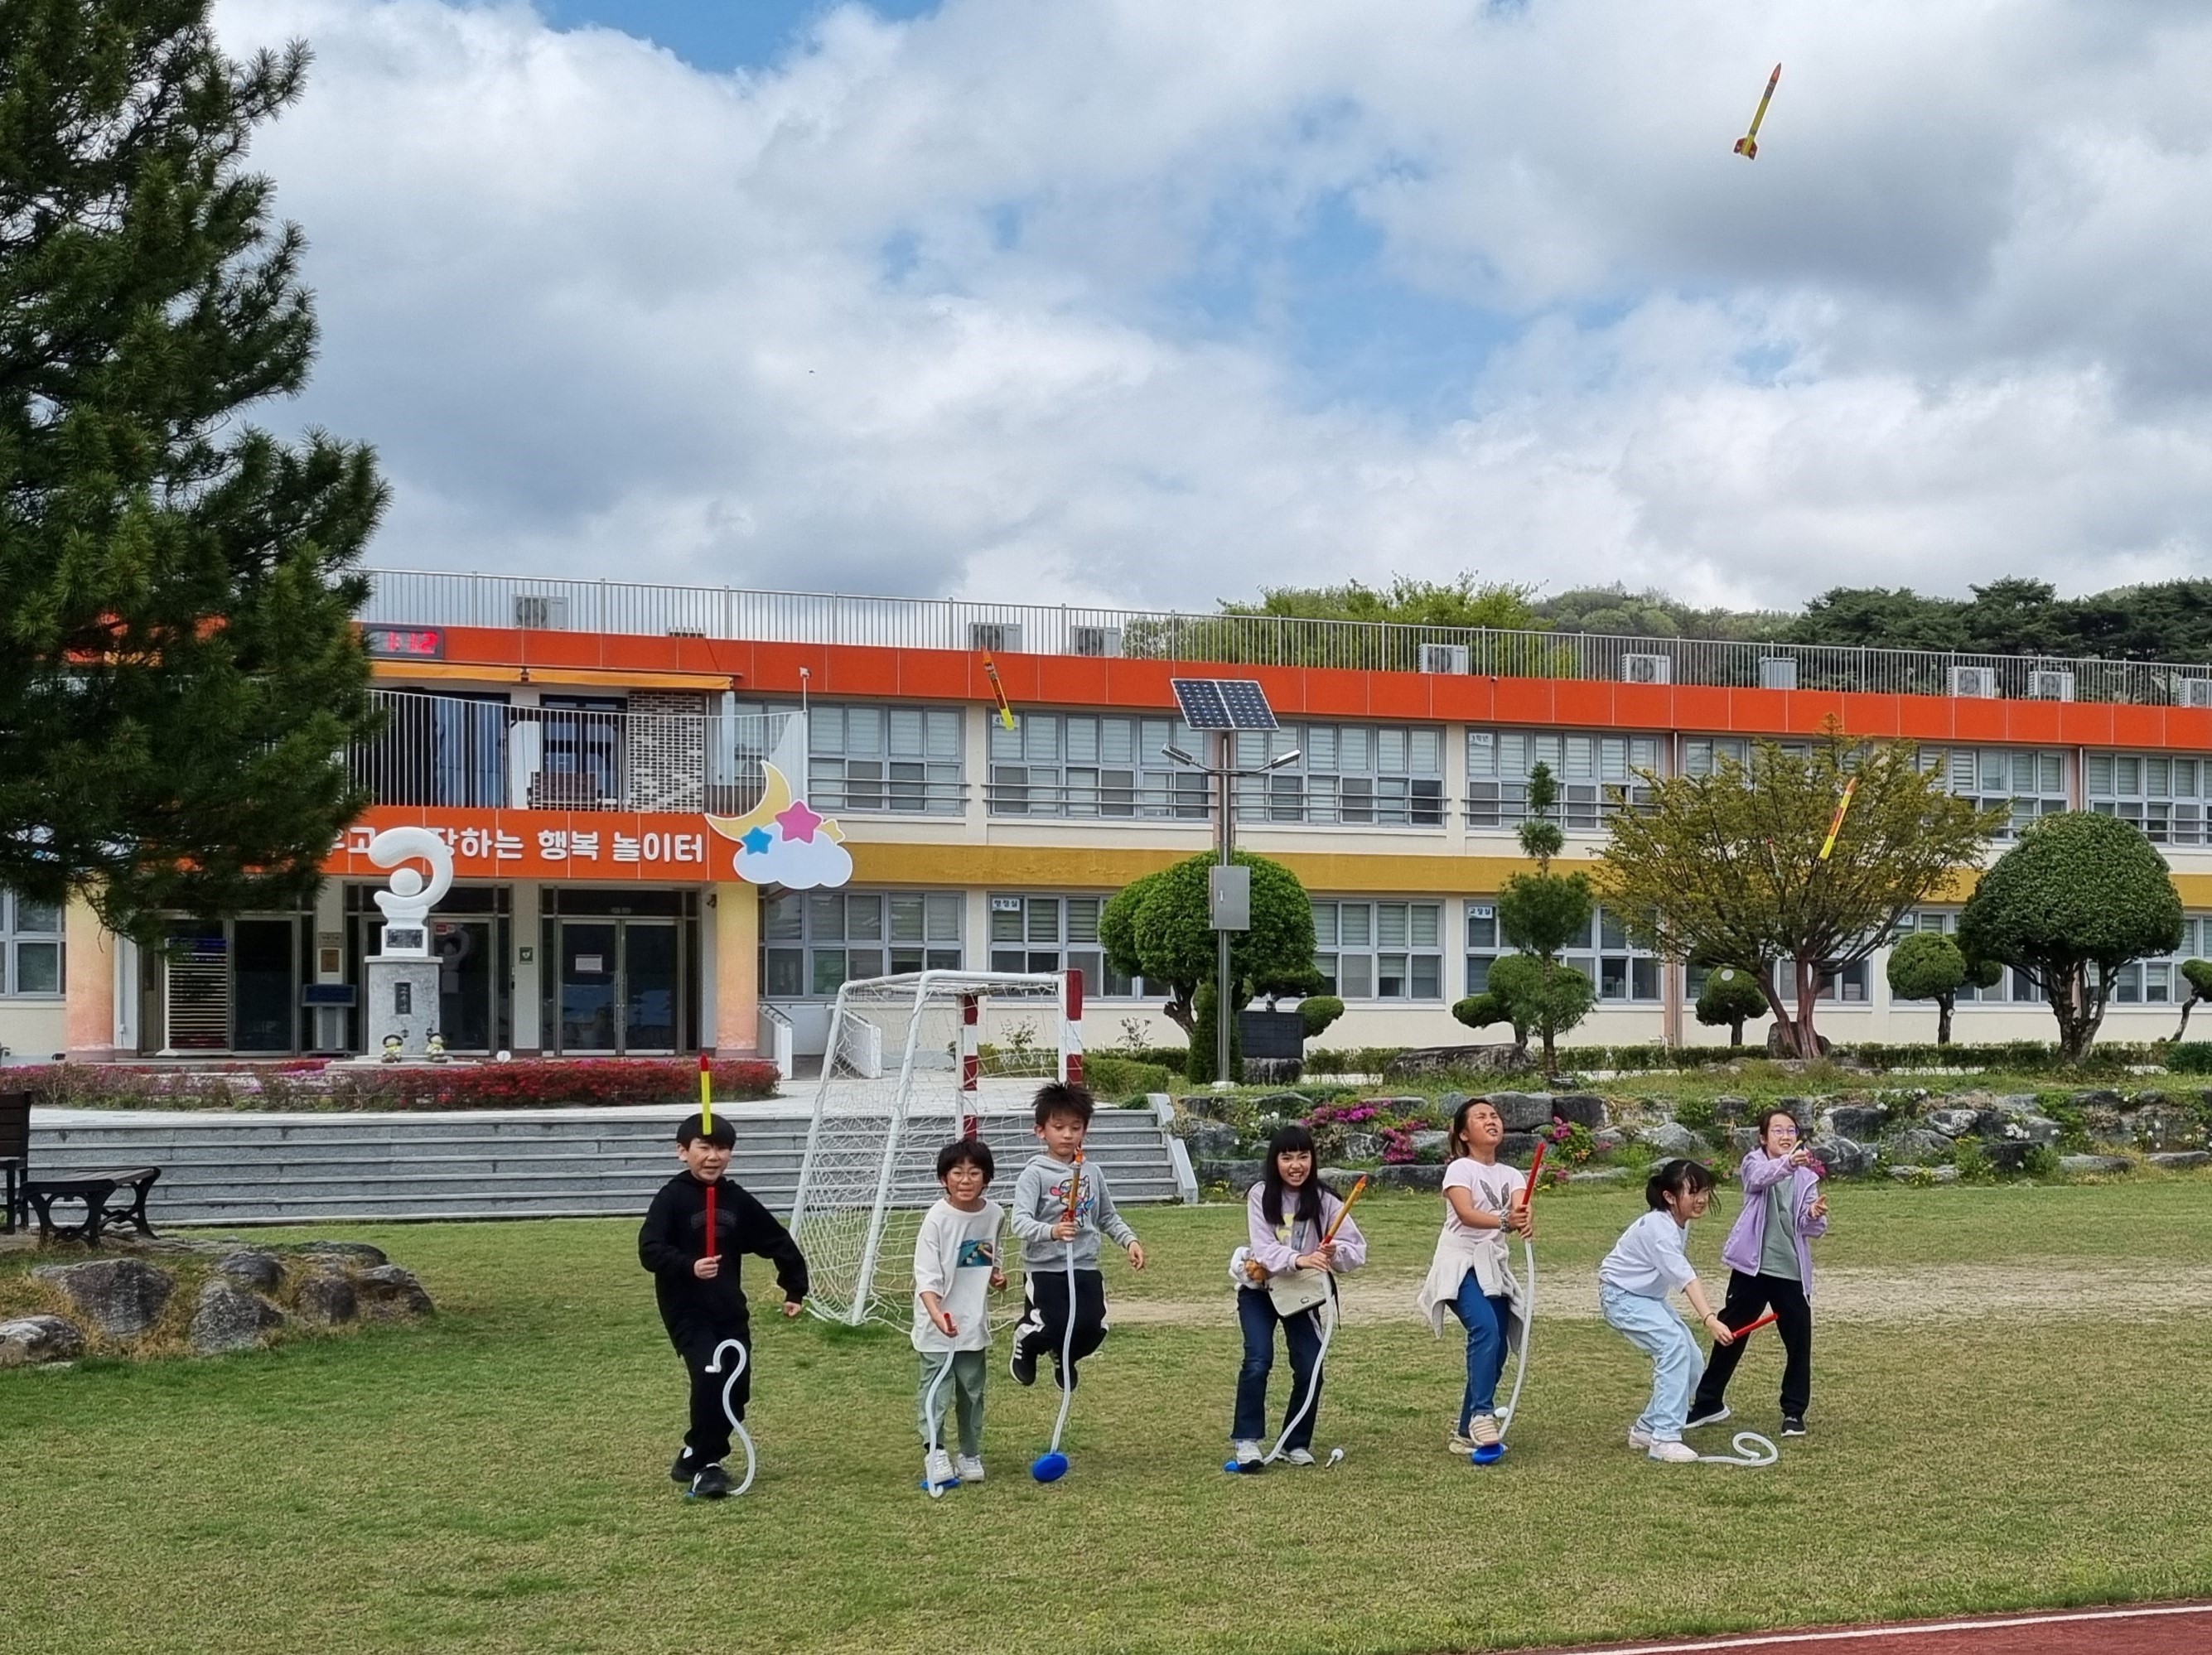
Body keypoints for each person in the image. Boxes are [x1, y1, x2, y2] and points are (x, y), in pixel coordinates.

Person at [637, 1112, 808, 1498]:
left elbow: (777, 1241)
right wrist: (690, 1265)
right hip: (686, 1311)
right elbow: (649, 1250)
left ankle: (693, 1453)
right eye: (705, 1147)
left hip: (729, 1309)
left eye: (723, 1148)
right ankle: (708, 1465)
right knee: (710, 1377)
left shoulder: (736, 1199)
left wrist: (794, 1289)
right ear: (683, 1152)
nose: (714, 1156)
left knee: (736, 1388)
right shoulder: (671, 1198)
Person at [1229, 1123, 1368, 1469]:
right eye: (1287, 1157)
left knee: (1310, 1366)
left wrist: (1334, 1252)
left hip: (1301, 1295)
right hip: (1259, 1291)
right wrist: (1300, 1259)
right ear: (1274, 1161)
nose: (1296, 1165)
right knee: (1258, 1360)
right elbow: (1264, 1249)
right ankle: (1247, 1441)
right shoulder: (1261, 1194)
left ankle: (1295, 1442)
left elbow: (1356, 1251)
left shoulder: (1326, 1199)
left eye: (1303, 1156)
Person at [1688, 1107, 1828, 1438]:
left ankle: (1794, 1412)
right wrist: (1788, 1164)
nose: (1785, 1136)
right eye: (1777, 1130)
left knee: (1799, 1344)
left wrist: (1814, 1213)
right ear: (1764, 1138)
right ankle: (1708, 1403)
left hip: (1791, 1272)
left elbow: (1811, 1228)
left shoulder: (1807, 1178)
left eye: (1791, 1131)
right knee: (1731, 1334)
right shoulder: (1754, 1162)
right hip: (1752, 1269)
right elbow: (1759, 1179)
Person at [1007, 1082, 1147, 1392]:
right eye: (1058, 1127)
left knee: (1093, 1326)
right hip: (1046, 1268)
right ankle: (1026, 1342)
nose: (1068, 1135)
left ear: (1085, 1130)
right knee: (1055, 1323)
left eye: (1075, 1127)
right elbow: (1020, 1223)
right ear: (1041, 1131)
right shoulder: (1034, 1174)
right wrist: (1052, 1231)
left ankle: (1065, 1355)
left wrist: (1130, 1241)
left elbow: (1107, 1216)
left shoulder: (1091, 1173)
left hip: (1084, 1264)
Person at [1598, 1158, 1736, 1465]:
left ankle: (1647, 1429)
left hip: (1646, 1298)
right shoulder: (1659, 1229)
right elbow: (1686, 1277)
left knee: (1693, 1359)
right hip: (1621, 1296)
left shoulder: (1676, 1222)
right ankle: (1664, 1438)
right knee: (1673, 1348)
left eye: (1705, 1191)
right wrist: (1710, 1319)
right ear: (1669, 1197)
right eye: (1693, 1192)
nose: (1702, 1199)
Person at [1418, 1097, 1533, 1454]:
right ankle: (1482, 1414)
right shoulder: (1459, 1169)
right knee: (1484, 1328)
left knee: (1497, 1346)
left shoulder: (1512, 1174)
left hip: (1492, 1265)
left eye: (1494, 1115)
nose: (1491, 1120)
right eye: (1481, 1117)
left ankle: (1466, 1430)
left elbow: (1521, 1207)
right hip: (1459, 1263)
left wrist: (1524, 1218)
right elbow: (1467, 1214)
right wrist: (1506, 1220)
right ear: (1464, 1134)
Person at [913, 1136, 1007, 1489]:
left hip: (972, 1323)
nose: (965, 1180)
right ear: (944, 1178)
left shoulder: (994, 1214)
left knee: (971, 1390)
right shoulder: (936, 1219)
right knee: (937, 1390)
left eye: (974, 1172)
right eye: (957, 1172)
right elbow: (926, 1276)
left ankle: (969, 1453)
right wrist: (937, 1314)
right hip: (938, 1322)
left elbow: (985, 1254)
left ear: (986, 1178)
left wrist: (996, 1275)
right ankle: (935, 1451)